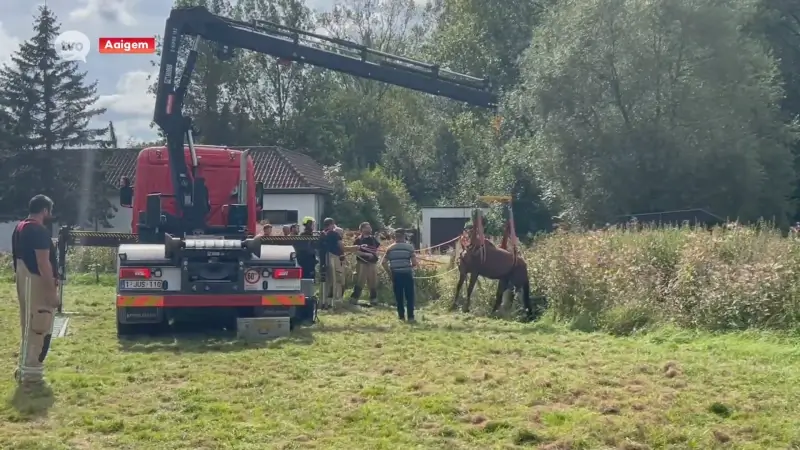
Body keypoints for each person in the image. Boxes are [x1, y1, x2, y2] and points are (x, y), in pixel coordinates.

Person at [12, 195, 60, 390]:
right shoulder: (38, 230)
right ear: (45, 211)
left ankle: (23, 370)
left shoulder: (20, 227)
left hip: (24, 281)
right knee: (39, 326)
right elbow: (43, 263)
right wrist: (51, 292)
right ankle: (32, 378)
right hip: (37, 283)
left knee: (28, 325)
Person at [381, 229, 418, 322]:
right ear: (404, 236)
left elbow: (383, 262)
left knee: (399, 296)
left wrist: (390, 273)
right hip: (407, 273)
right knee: (410, 296)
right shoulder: (409, 247)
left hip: (396, 275)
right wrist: (411, 266)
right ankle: (410, 317)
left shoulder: (390, 248)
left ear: (395, 237)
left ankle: (401, 316)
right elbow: (414, 263)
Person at [349, 222, 380, 305]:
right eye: (367, 227)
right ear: (362, 229)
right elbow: (356, 251)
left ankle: (373, 299)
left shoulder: (373, 239)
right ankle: (354, 298)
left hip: (372, 263)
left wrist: (374, 255)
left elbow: (376, 249)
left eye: (370, 227)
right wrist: (366, 254)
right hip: (362, 263)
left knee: (373, 281)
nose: (370, 229)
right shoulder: (358, 240)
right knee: (360, 281)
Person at [320, 218, 345, 308]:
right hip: (334, 257)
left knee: (326, 280)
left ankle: (324, 301)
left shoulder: (321, 234)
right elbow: (340, 245)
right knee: (335, 279)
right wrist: (343, 252)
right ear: (331, 224)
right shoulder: (334, 234)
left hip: (324, 259)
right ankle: (334, 301)